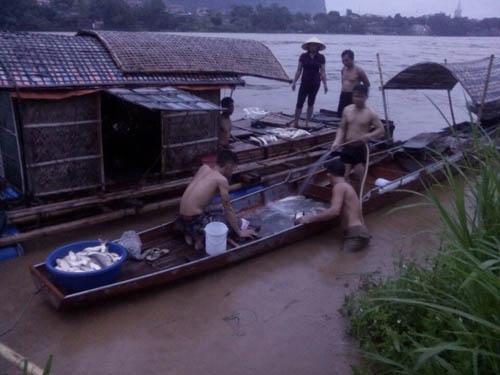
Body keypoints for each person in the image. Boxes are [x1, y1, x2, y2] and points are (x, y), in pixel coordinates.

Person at [176, 150, 257, 251]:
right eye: (233, 169)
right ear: (228, 166)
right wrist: (239, 231)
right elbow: (228, 210)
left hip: (181, 217)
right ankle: (199, 238)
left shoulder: (203, 168)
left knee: (217, 208)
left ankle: (188, 233)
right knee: (236, 223)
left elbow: (201, 194)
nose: (232, 172)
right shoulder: (221, 180)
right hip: (195, 220)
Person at [296, 160, 370, 252]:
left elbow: (334, 212)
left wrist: (309, 218)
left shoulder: (339, 187)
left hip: (355, 235)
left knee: (343, 261)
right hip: (360, 232)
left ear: (329, 175)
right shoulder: (347, 186)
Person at [331, 83, 385, 183]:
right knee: (344, 176)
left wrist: (368, 135)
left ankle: (361, 195)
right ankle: (347, 194)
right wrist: (336, 141)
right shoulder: (347, 110)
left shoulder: (370, 113)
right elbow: (342, 128)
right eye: (356, 96)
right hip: (347, 147)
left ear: (366, 97)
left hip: (360, 148)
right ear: (352, 96)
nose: (358, 99)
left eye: (361, 96)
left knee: (359, 176)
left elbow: (381, 130)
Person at [291, 37, 328, 128]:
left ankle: (307, 122)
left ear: (318, 47)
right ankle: (296, 122)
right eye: (311, 45)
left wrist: (325, 85)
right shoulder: (303, 56)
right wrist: (294, 82)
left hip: (315, 83)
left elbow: (323, 71)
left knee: (311, 103)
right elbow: (299, 70)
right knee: (300, 102)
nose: (313, 46)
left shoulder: (321, 57)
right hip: (304, 82)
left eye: (315, 45)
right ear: (308, 46)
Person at [337, 50, 370, 117]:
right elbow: (343, 82)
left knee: (352, 115)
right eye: (343, 61)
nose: (344, 63)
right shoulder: (343, 69)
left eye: (346, 60)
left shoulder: (359, 71)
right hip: (343, 95)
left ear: (352, 59)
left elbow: (367, 84)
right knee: (340, 114)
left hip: (353, 96)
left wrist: (362, 97)